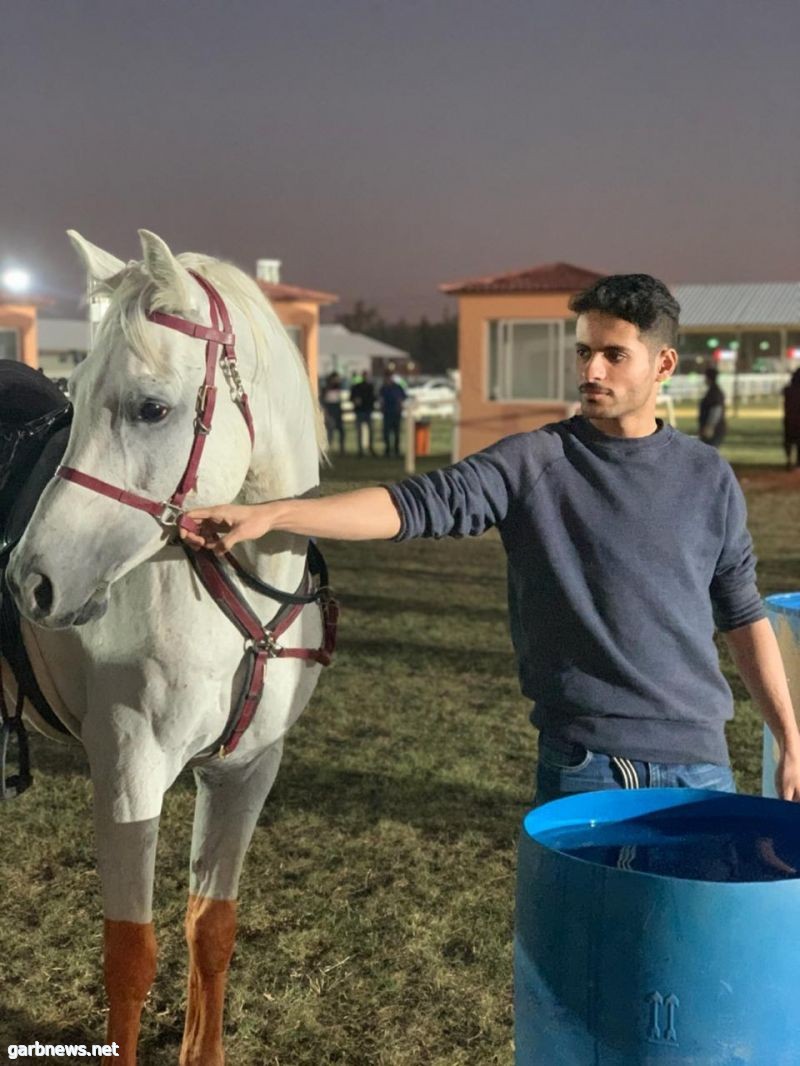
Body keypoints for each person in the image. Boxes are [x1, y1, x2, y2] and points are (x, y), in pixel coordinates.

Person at [182, 274, 800, 806]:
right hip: (584, 768)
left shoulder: (708, 476)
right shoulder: (536, 462)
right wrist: (274, 514)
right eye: (583, 351)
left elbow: (744, 616)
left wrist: (791, 742)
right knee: (579, 944)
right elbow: (412, 505)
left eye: (613, 355)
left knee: (690, 944)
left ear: (663, 365)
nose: (590, 370)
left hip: (700, 768)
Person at [379, 371, 406, 457]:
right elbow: (381, 400)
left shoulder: (398, 387)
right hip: (387, 413)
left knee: (396, 433)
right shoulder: (383, 388)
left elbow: (402, 398)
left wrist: (400, 407)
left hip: (396, 413)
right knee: (386, 433)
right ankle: (387, 450)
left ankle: (396, 450)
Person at [349, 372, 376, 456]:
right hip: (362, 411)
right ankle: (363, 449)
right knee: (363, 431)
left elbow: (374, 398)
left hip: (365, 411)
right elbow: (352, 398)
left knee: (367, 431)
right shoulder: (362, 387)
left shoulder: (368, 387)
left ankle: (365, 449)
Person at [698, 366, 727, 447]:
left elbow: (716, 410)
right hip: (714, 429)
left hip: (714, 430)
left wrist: (709, 427)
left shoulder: (714, 392)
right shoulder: (713, 390)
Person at [320, 371, 345, 455]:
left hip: (337, 411)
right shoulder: (326, 389)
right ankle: (327, 449)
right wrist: (326, 414)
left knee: (341, 431)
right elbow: (323, 402)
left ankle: (342, 449)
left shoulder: (338, 388)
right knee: (330, 432)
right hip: (330, 412)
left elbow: (339, 401)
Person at [782, 368, 800, 470]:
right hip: (795, 421)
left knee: (788, 442)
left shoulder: (788, 390)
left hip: (789, 421)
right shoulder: (790, 391)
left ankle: (789, 461)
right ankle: (797, 463)